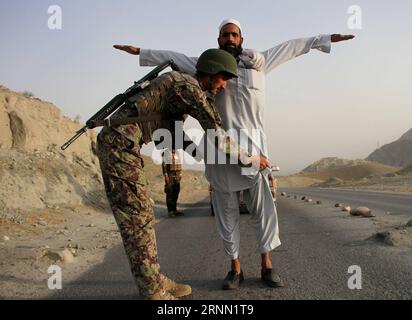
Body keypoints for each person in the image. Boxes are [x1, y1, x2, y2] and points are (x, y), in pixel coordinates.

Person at [113, 19, 354, 290]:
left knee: (263, 210)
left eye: (234, 34)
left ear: (241, 38)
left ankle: (266, 264)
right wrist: (141, 52)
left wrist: (325, 39)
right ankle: (235, 268)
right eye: (225, 34)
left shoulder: (260, 62)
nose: (230, 38)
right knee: (226, 212)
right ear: (218, 40)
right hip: (220, 148)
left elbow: (291, 47)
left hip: (254, 149)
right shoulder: (206, 64)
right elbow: (172, 57)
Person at [97, 48, 268, 300]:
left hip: (123, 144)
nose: (224, 87)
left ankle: (155, 279)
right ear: (211, 73)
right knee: (137, 219)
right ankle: (152, 291)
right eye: (223, 79)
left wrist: (198, 152)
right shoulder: (189, 88)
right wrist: (252, 158)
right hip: (119, 145)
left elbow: (168, 132)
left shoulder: (178, 86)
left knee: (142, 214)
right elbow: (220, 137)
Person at [162, 149, 183, 217]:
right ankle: (170, 211)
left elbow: (179, 162)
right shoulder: (166, 152)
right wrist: (165, 175)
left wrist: (180, 174)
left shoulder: (177, 152)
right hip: (170, 174)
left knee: (176, 192)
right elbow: (164, 164)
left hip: (177, 174)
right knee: (170, 192)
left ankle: (174, 209)